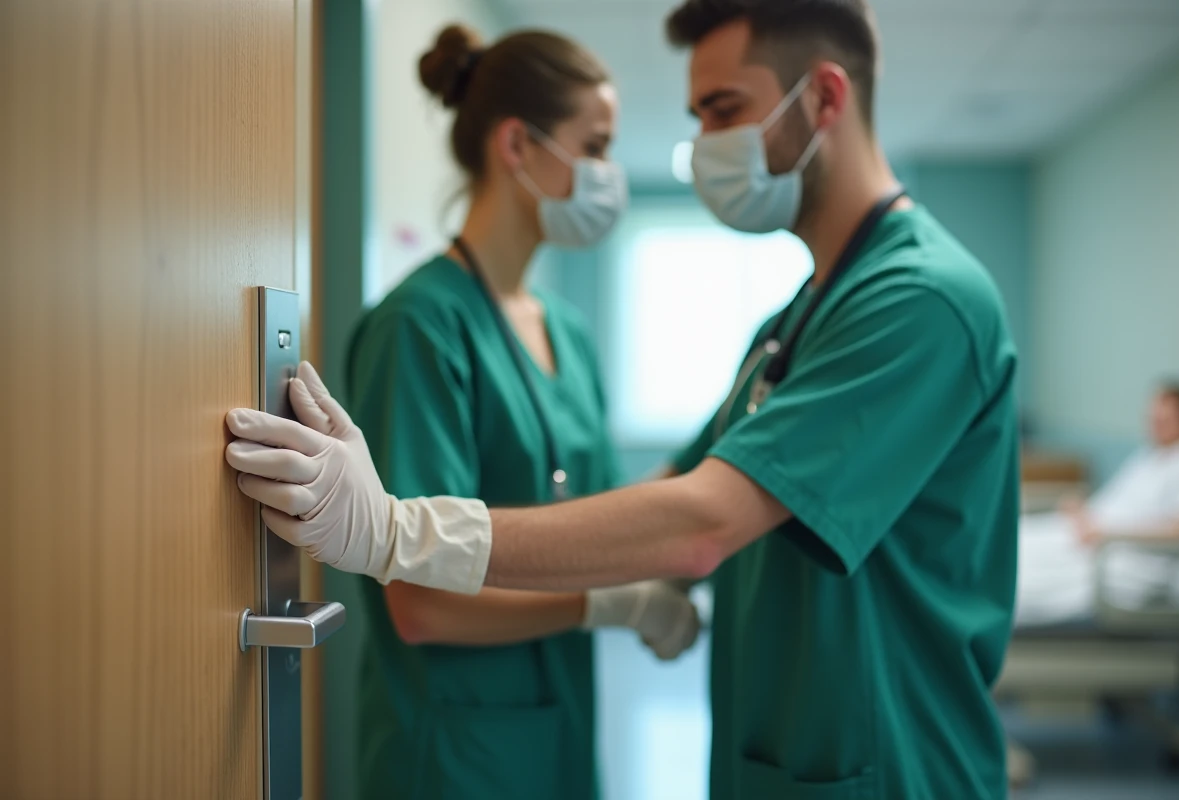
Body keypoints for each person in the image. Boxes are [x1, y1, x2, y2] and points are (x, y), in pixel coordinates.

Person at [225, 1, 1020, 797]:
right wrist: (602, 592)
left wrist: (400, 530)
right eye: (699, 118)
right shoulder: (799, 320)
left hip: (891, 762)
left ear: (825, 98)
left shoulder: (919, 301)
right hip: (693, 754)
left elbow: (705, 516)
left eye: (725, 111)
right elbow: (683, 488)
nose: (706, 146)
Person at [347, 24, 699, 800]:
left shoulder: (564, 331)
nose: (609, 172)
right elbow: (422, 602)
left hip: (560, 737)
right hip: (451, 756)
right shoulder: (418, 328)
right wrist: (611, 604)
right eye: (595, 145)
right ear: (518, 146)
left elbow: (600, 520)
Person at [1016, 382, 1179, 625]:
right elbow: (1118, 503)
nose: (1156, 427)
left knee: (1024, 565)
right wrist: (1081, 510)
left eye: (1165, 421)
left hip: (1126, 554)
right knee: (1020, 536)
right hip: (1094, 536)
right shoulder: (1150, 457)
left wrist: (1106, 533)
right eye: (1153, 420)